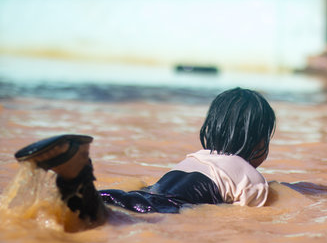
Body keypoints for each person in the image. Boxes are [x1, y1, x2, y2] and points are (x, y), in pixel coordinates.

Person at [13, 88, 276, 229]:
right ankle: (75, 173)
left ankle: (74, 171)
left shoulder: (196, 158)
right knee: (97, 218)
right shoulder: (250, 177)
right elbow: (243, 221)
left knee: (90, 206)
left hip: (133, 195)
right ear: (260, 141)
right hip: (160, 208)